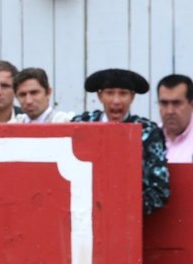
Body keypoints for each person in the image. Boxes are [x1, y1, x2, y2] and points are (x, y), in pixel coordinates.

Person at [70, 68, 169, 215]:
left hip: (127, 219)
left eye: (123, 94)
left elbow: (159, 190)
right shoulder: (82, 124)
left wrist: (121, 211)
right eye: (109, 93)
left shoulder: (147, 132)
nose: (116, 101)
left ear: (132, 97)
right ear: (99, 96)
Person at [157, 73, 193, 163]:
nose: (170, 111)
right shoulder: (148, 138)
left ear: (191, 104)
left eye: (176, 103)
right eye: (164, 103)